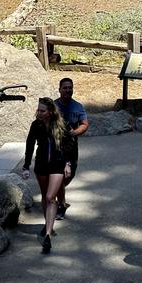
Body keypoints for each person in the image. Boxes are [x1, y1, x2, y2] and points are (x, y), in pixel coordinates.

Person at [22, 98, 72, 254]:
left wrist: (68, 163)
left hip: (57, 164)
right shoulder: (36, 125)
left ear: (50, 112)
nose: (39, 113)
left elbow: (69, 144)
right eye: (38, 110)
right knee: (45, 196)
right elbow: (30, 145)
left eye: (42, 111)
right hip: (41, 164)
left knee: (51, 197)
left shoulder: (61, 124)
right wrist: (26, 166)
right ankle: (48, 225)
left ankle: (48, 235)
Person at [53, 78, 90, 220]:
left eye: (70, 87)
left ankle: (59, 192)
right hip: (56, 148)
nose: (68, 90)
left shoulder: (78, 107)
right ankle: (61, 205)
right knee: (59, 176)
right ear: (59, 89)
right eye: (65, 88)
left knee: (69, 175)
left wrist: (75, 132)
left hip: (71, 148)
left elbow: (84, 124)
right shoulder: (54, 106)